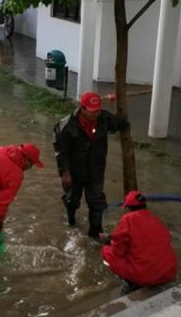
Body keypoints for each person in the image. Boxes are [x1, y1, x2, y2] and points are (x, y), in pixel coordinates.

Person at [53, 92, 129, 238]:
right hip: (74, 172)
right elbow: (60, 151)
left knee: (96, 203)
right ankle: (71, 220)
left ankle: (95, 234)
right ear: (82, 108)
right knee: (72, 200)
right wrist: (65, 172)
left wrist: (121, 106)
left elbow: (120, 124)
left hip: (96, 170)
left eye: (98, 110)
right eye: (93, 111)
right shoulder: (67, 126)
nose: (96, 114)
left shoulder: (104, 119)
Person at [101, 191, 178, 294]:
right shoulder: (154, 218)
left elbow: (118, 251)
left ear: (128, 208)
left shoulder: (128, 218)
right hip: (169, 272)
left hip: (147, 277)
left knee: (106, 252)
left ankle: (130, 283)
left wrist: (109, 241)